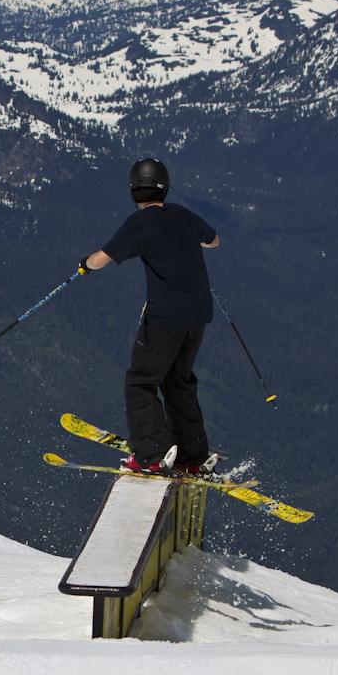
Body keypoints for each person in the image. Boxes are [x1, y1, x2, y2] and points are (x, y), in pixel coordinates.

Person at [78, 159, 220, 474]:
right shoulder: (182, 214)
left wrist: (85, 264)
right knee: (179, 382)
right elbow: (213, 240)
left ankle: (152, 455)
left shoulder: (138, 224)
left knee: (140, 382)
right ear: (164, 187)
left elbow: (101, 259)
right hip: (198, 317)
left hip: (165, 320)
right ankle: (192, 457)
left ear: (133, 192)